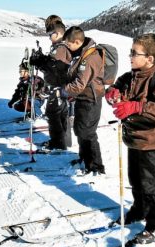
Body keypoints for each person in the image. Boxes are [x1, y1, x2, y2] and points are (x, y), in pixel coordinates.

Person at [105, 33, 155, 244]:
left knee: (151, 186)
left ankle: (153, 224)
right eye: (130, 52)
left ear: (150, 58)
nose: (130, 56)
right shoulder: (130, 75)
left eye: (135, 53)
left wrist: (135, 106)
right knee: (135, 180)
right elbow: (116, 87)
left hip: (151, 141)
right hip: (133, 138)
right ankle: (138, 210)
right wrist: (112, 93)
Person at [62, 26, 105, 175]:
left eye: (69, 44)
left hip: (91, 100)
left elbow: (79, 84)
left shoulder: (90, 57)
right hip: (83, 98)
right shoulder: (81, 53)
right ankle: (84, 158)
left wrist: (65, 89)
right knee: (80, 130)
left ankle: (96, 167)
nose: (68, 47)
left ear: (78, 41)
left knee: (88, 133)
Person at [43, 18, 72, 150]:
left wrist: (43, 64)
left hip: (59, 87)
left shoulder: (60, 48)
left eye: (51, 34)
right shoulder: (61, 46)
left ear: (59, 34)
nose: (49, 37)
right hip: (62, 87)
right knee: (61, 114)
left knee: (53, 113)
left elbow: (56, 69)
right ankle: (64, 142)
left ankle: (58, 143)